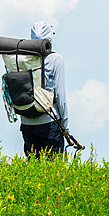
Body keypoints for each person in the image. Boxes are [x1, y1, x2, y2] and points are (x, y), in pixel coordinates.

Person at [19, 21, 69, 159]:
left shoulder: (22, 58)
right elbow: (60, 95)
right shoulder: (55, 59)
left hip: (27, 123)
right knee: (54, 170)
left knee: (34, 169)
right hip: (50, 122)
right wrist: (65, 126)